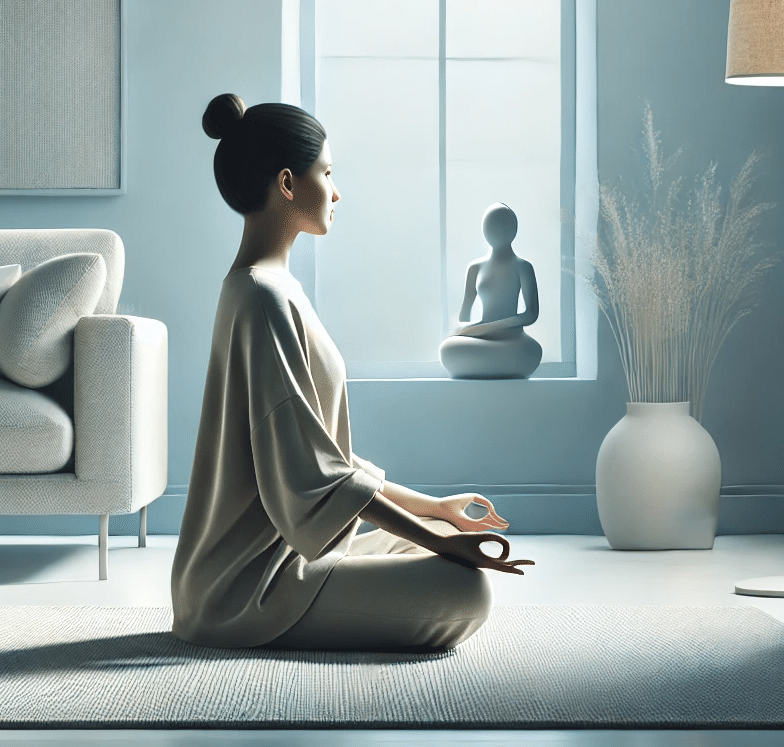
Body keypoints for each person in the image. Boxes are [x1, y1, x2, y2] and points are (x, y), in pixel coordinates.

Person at [171, 93, 534, 652]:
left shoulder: (266, 288)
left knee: (442, 540)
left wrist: (437, 512)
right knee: (466, 591)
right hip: (247, 589)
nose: (336, 192)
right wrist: (447, 550)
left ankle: (434, 537)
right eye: (327, 173)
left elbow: (330, 463)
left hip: (289, 557)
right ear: (288, 184)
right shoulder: (263, 298)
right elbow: (311, 476)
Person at [439, 202, 544, 379]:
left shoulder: (523, 267)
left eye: (505, 225)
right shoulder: (475, 268)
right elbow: (464, 315)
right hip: (483, 339)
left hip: (513, 340)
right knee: (448, 349)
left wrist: (490, 326)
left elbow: (531, 314)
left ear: (514, 229)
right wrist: (470, 330)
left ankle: (479, 365)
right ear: (484, 229)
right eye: (492, 225)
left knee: (533, 351)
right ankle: (487, 363)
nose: (498, 230)